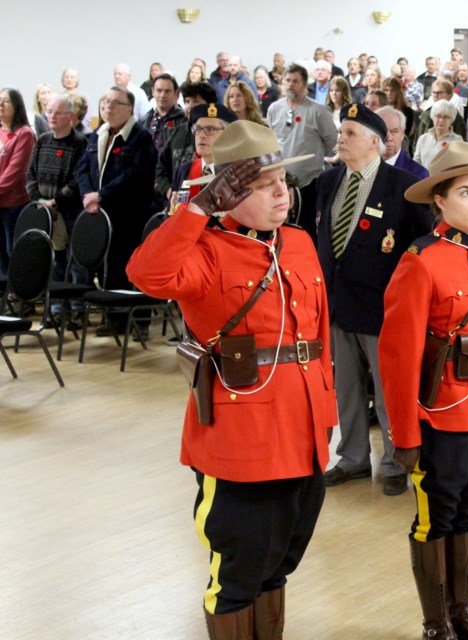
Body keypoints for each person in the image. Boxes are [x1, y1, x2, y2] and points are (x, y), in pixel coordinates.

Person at [126, 120, 336, 638]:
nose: (281, 193)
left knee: (280, 562)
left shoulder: (300, 244)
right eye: (264, 186)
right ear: (229, 193)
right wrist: (197, 209)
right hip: (241, 441)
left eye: (282, 182)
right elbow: (145, 275)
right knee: (238, 570)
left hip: (303, 430)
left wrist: (327, 416)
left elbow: (319, 337)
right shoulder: (207, 250)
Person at [379, 141, 468, 640]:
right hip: (442, 414)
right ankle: (436, 624)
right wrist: (404, 432)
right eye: (465, 192)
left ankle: (463, 613)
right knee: (434, 518)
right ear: (439, 199)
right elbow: (399, 357)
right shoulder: (422, 261)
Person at [315, 103, 434, 496]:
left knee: (388, 391)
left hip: (384, 307)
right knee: (346, 388)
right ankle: (351, 458)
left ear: (374, 142)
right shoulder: (328, 182)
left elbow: (421, 248)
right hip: (338, 303)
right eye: (341, 132)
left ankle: (395, 459)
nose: (341, 139)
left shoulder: (402, 186)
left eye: (349, 133)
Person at [75, 86, 158, 333]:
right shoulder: (96, 135)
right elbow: (82, 170)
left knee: (132, 268)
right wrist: (88, 196)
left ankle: (138, 322)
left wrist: (101, 195)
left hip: (130, 214)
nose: (108, 108)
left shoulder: (141, 138)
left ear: (129, 109)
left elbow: (135, 176)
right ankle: (114, 320)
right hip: (101, 213)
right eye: (105, 103)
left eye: (114, 104)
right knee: (108, 268)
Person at [267, 63, 338, 242]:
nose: (291, 84)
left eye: (296, 81)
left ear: (304, 84)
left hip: (310, 184)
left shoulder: (318, 111)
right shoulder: (274, 109)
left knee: (307, 231)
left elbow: (333, 142)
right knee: (279, 230)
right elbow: (270, 142)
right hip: (280, 182)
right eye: (288, 80)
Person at [26, 93, 88, 282]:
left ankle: (77, 305)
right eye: (49, 112)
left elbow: (78, 178)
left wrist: (56, 201)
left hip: (70, 209)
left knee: (75, 258)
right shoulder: (43, 140)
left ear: (70, 116)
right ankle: (56, 305)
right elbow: (30, 174)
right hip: (44, 208)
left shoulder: (80, 142)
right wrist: (40, 200)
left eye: (58, 113)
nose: (52, 117)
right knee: (54, 258)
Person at [155, 81, 218, 205]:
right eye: (187, 102)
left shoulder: (218, 133)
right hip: (177, 205)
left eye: (196, 102)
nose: (190, 106)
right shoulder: (178, 131)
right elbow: (161, 166)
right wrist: (168, 190)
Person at [169, 103, 237, 208]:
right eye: (198, 129)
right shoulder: (184, 170)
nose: (201, 135)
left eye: (210, 129)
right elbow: (172, 214)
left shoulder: (237, 172)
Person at [0, 88, 37, 274]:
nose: (0, 105)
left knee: (12, 251)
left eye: (5, 101)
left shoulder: (25, 133)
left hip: (13, 205)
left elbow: (14, 172)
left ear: (16, 106)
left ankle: (21, 298)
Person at [378, 106, 428, 179]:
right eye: (383, 131)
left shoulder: (417, 173)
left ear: (402, 135)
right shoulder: (361, 166)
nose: (388, 138)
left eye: (394, 131)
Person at [141, 73, 186, 154]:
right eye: (159, 90)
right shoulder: (144, 120)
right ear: (153, 92)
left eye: (167, 91)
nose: (162, 95)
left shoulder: (184, 120)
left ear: (176, 94)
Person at [414, 99, 462, 170]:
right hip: (424, 179)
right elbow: (416, 163)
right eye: (438, 116)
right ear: (432, 117)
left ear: (451, 120)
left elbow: (458, 166)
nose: (441, 120)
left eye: (445, 117)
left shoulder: (457, 140)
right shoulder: (423, 138)